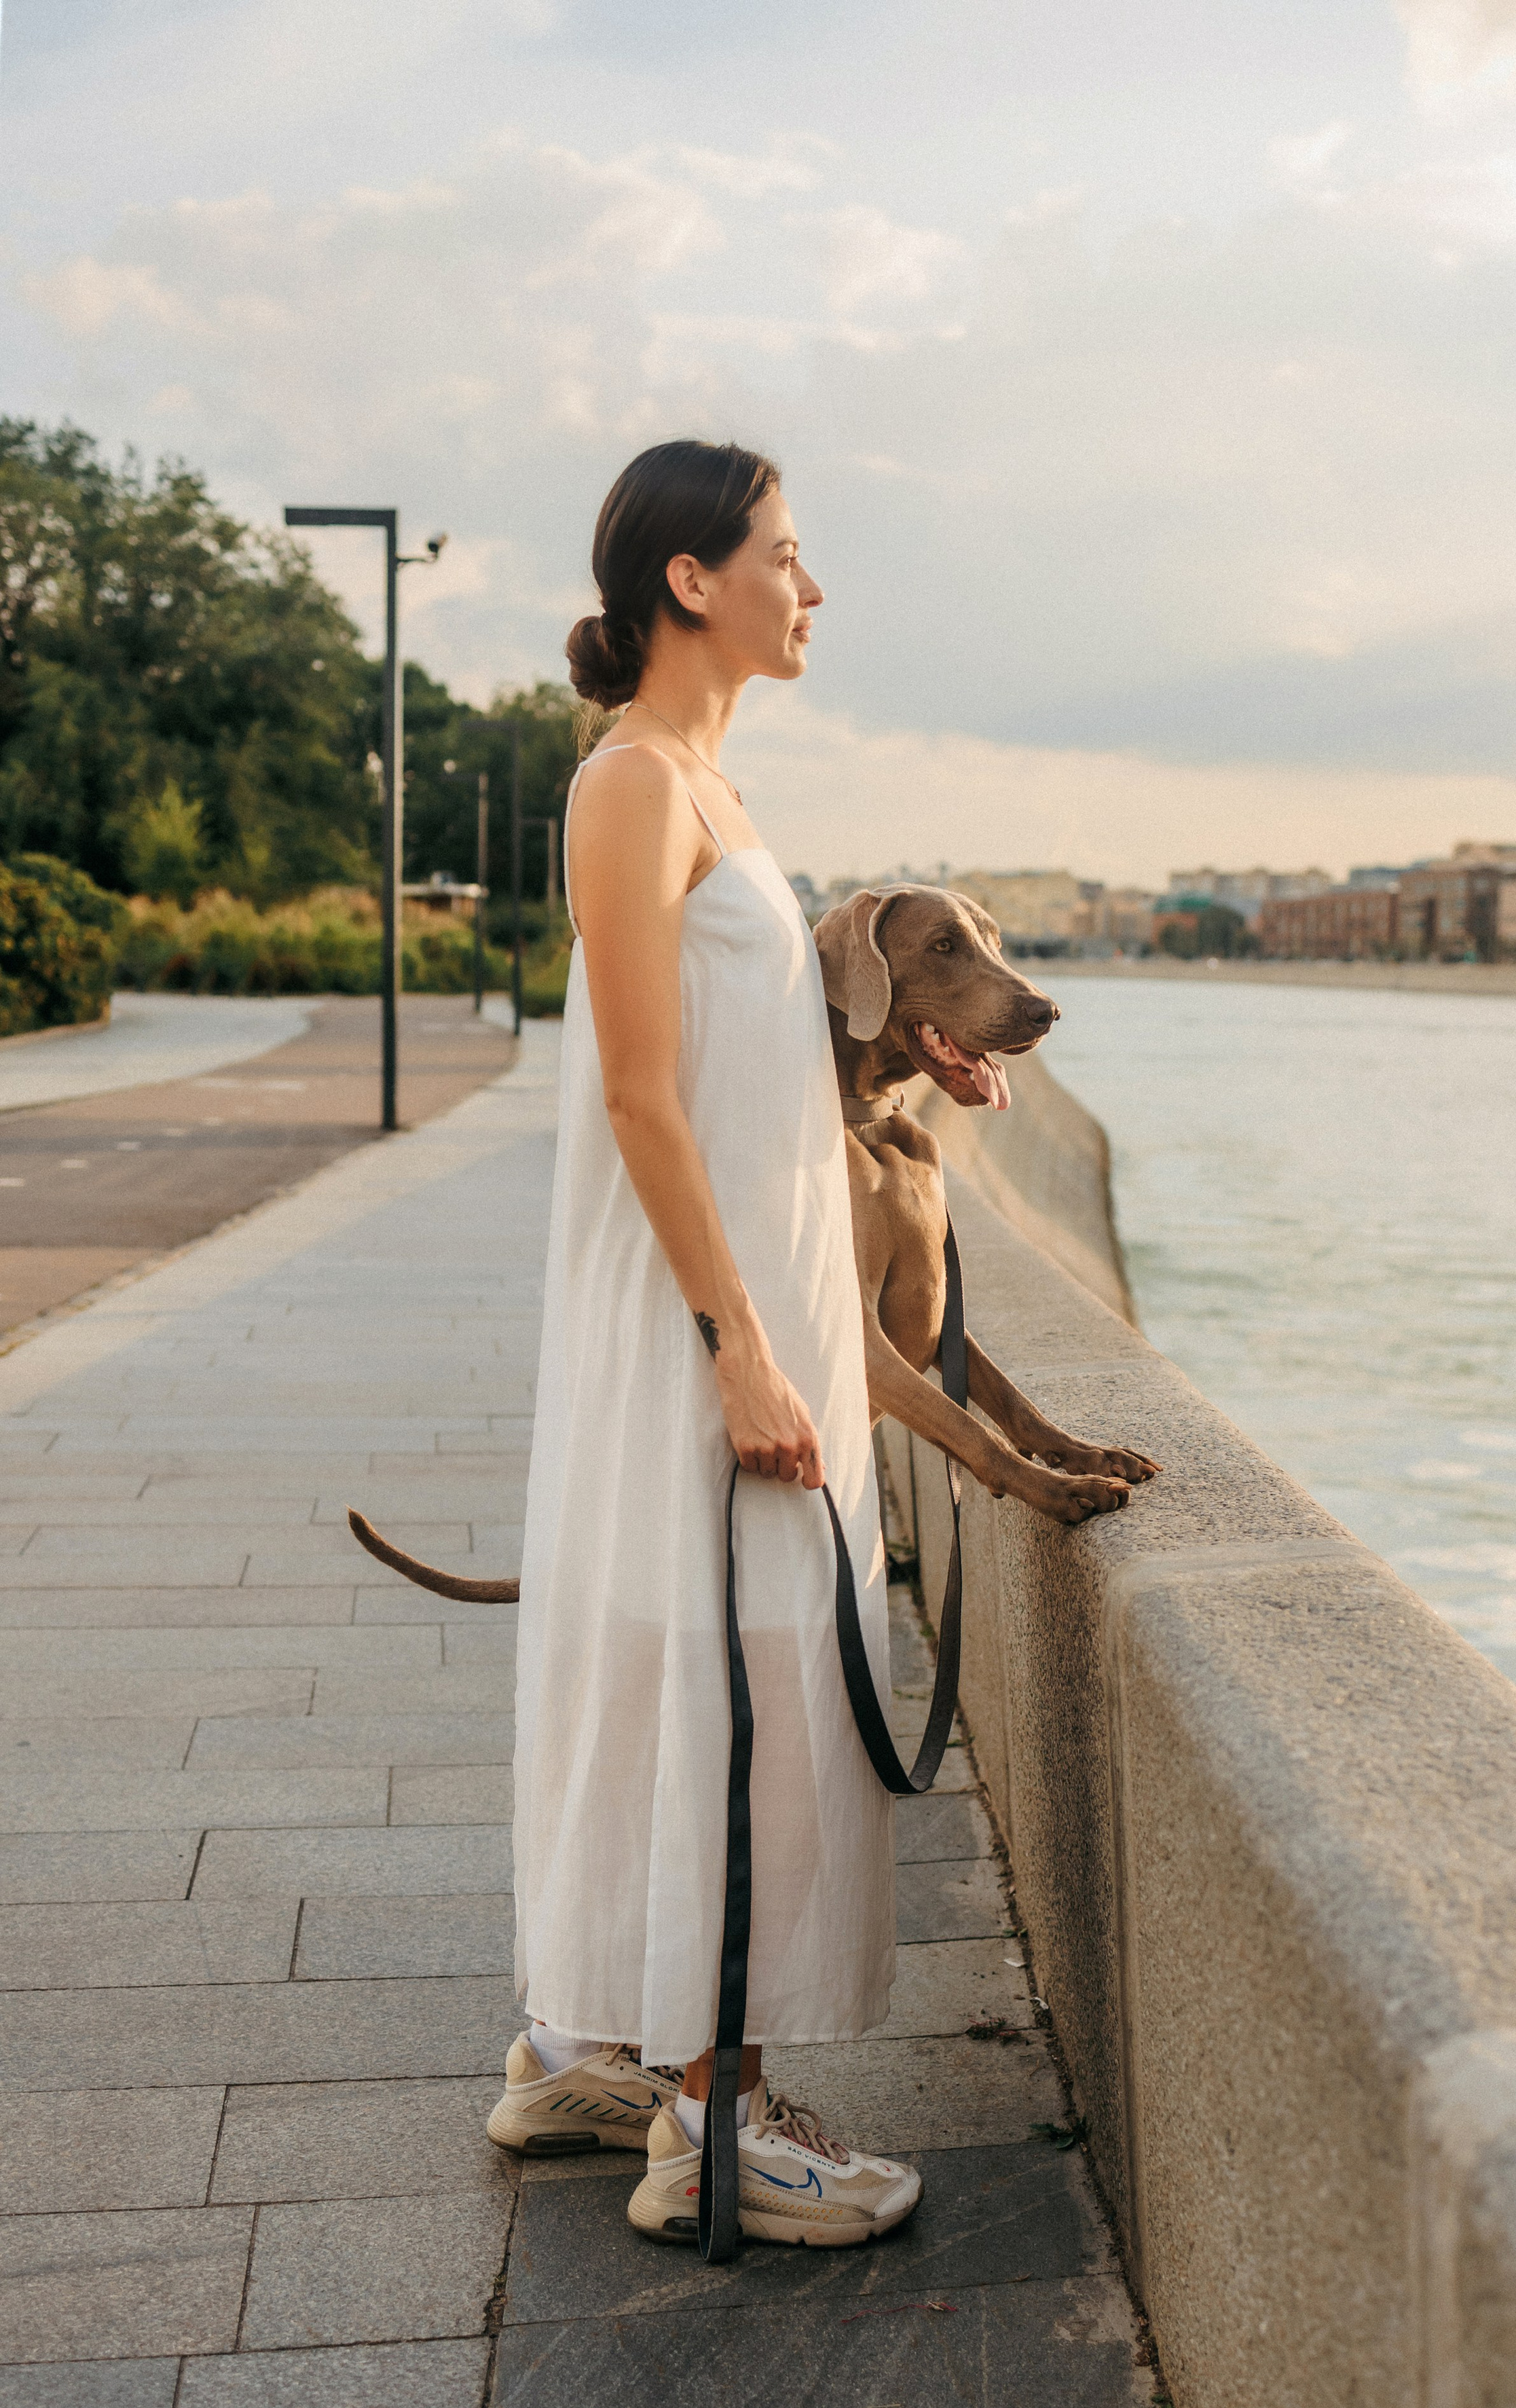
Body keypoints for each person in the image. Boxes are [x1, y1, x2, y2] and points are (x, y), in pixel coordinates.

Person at [485, 439, 921, 2248]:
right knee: (730, 1694)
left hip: (746, 1316)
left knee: (687, 1677)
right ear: (691, 581)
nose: (812, 588)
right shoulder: (632, 787)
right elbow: (644, 1104)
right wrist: (738, 1345)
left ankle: (591, 2049)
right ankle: (713, 2131)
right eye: (787, 555)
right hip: (698, 1327)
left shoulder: (714, 794)